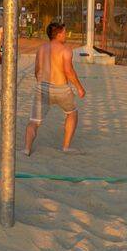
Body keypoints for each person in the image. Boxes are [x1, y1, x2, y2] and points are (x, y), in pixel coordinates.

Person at [25, 22, 86, 155]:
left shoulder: (41, 48)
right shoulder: (66, 49)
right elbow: (68, 71)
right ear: (58, 35)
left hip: (42, 88)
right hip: (61, 89)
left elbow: (36, 70)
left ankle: (26, 149)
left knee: (34, 121)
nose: (66, 35)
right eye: (64, 32)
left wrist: (40, 83)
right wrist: (79, 88)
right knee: (72, 113)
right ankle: (66, 146)